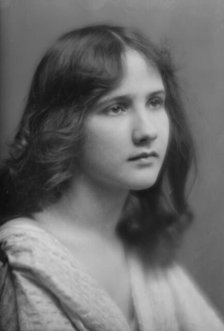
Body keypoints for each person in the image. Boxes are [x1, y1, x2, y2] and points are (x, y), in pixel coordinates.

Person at [0, 24, 223, 331]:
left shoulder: (137, 244)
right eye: (116, 108)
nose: (147, 131)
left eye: (155, 102)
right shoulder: (27, 263)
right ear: (65, 124)